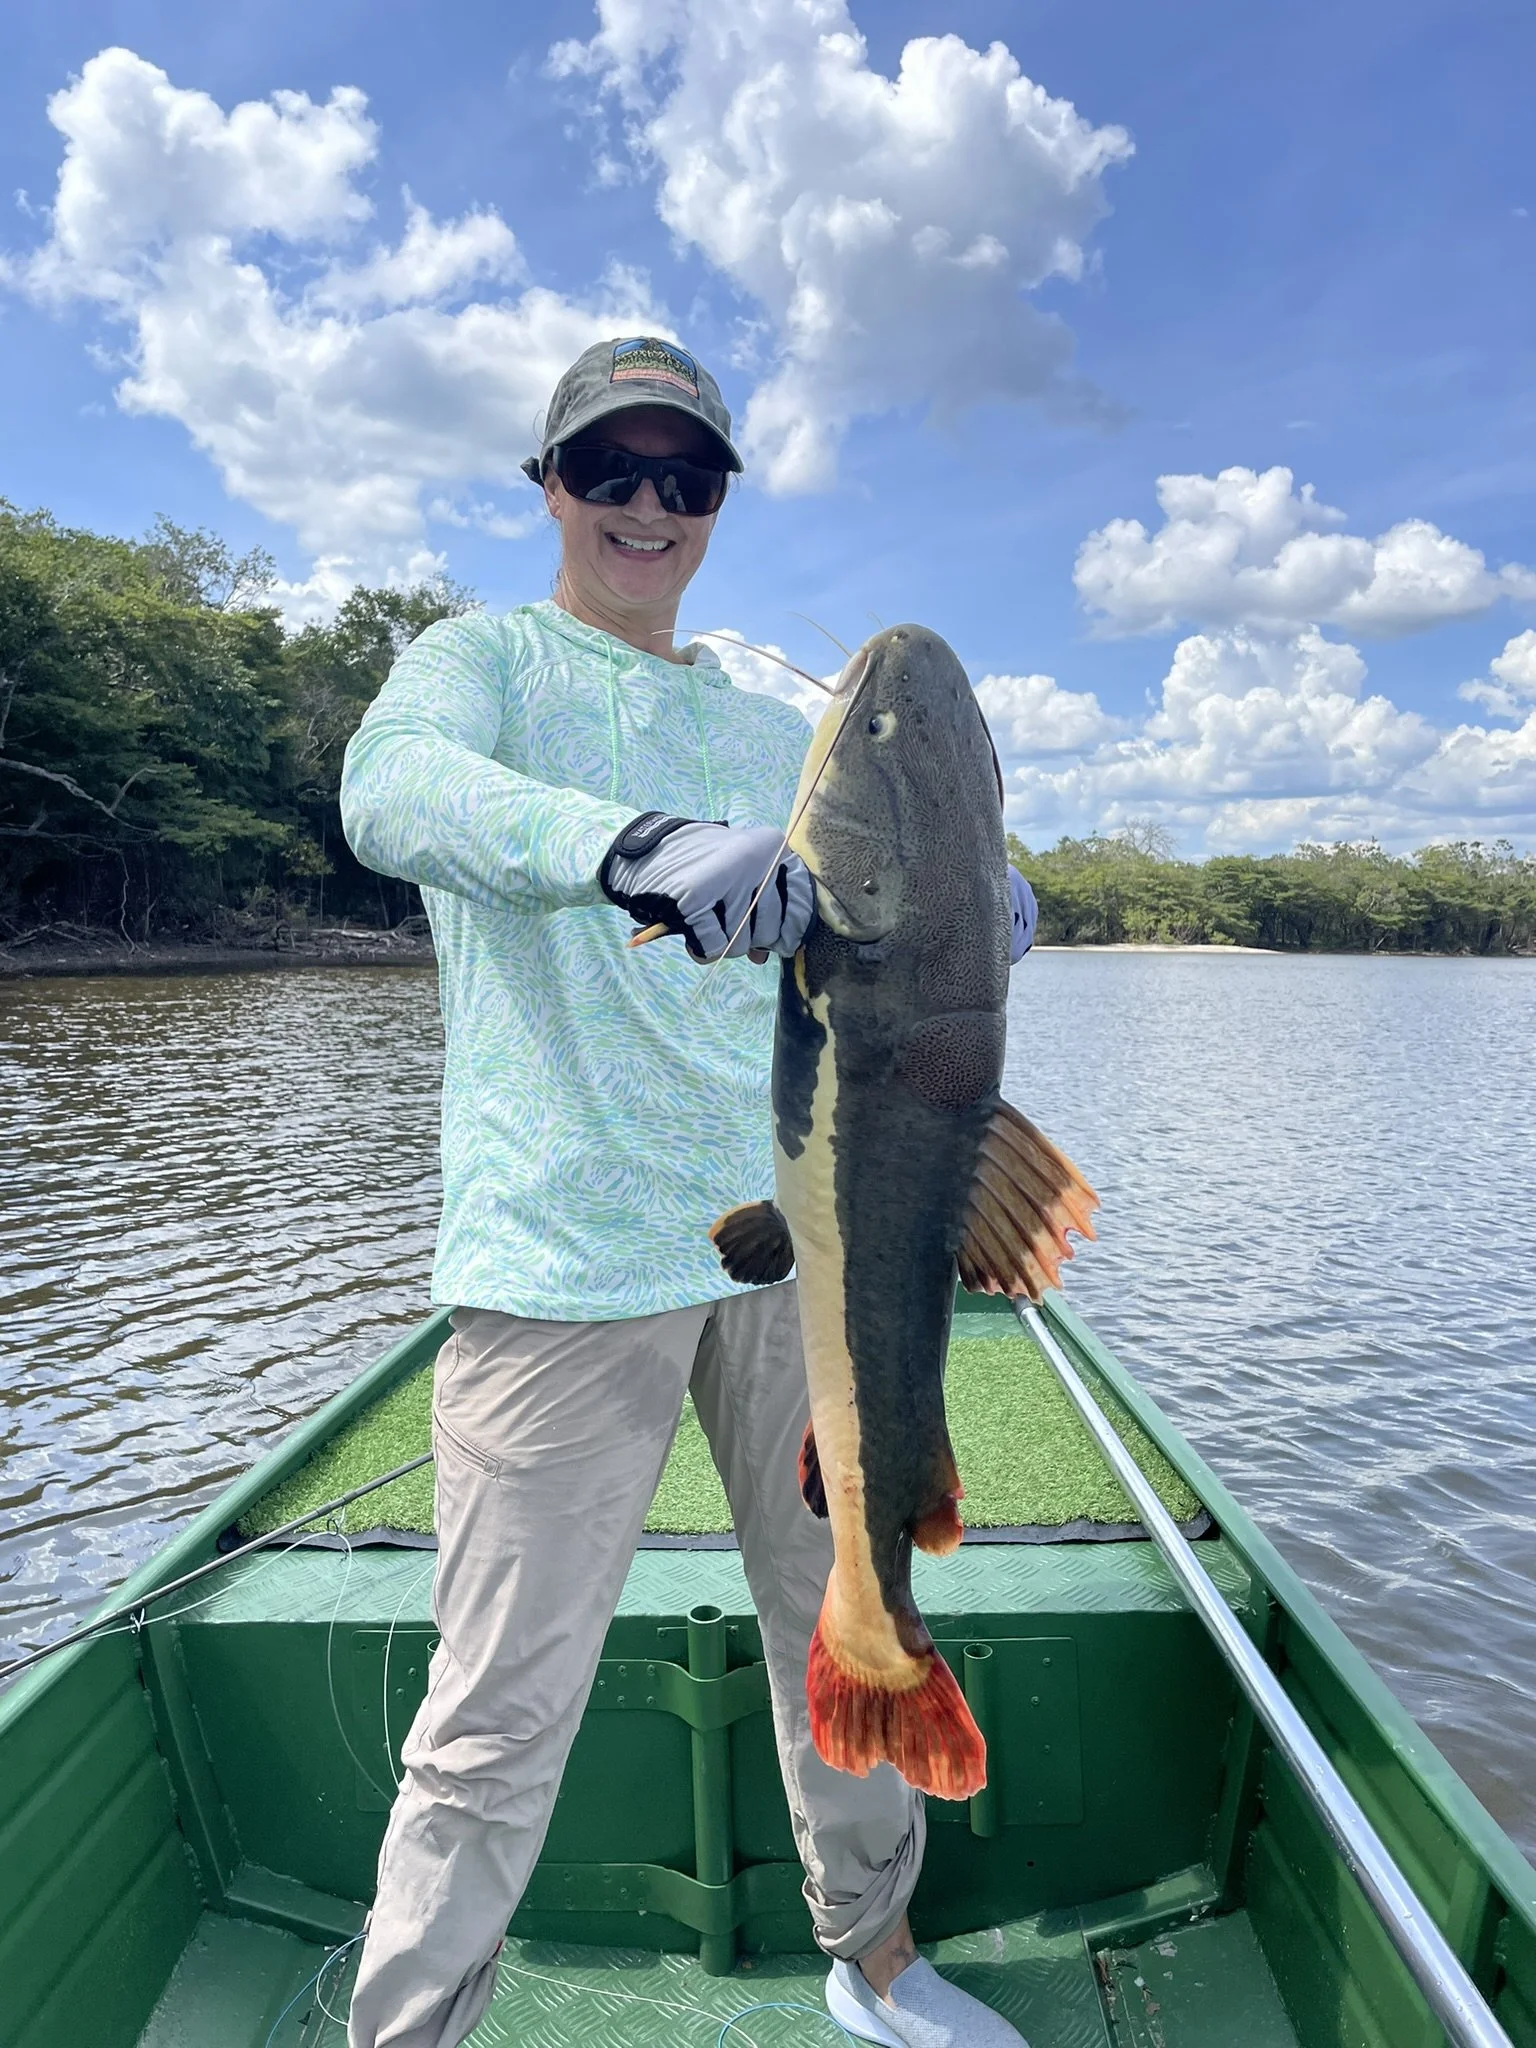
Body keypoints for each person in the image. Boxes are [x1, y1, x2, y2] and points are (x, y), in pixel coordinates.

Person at [339, 334, 1035, 2048]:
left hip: (783, 1252)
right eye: (612, 470)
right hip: (557, 1262)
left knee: (845, 1606)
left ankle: (874, 1957)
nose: (649, 506)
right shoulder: (477, 665)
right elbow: (393, 794)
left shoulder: (762, 716)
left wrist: (1012, 893)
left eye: (687, 478)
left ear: (718, 501)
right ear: (553, 487)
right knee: (495, 1709)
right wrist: (630, 844)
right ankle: (410, 2028)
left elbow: (901, 865)